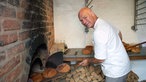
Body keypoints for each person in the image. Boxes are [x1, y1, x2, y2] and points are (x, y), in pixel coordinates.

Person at [78, 7, 131, 82]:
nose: (84, 22)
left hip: (115, 72)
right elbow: (119, 33)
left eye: (85, 17)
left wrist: (88, 61)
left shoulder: (98, 31)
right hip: (123, 66)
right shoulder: (103, 23)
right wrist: (115, 45)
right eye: (81, 20)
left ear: (92, 13)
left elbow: (100, 59)